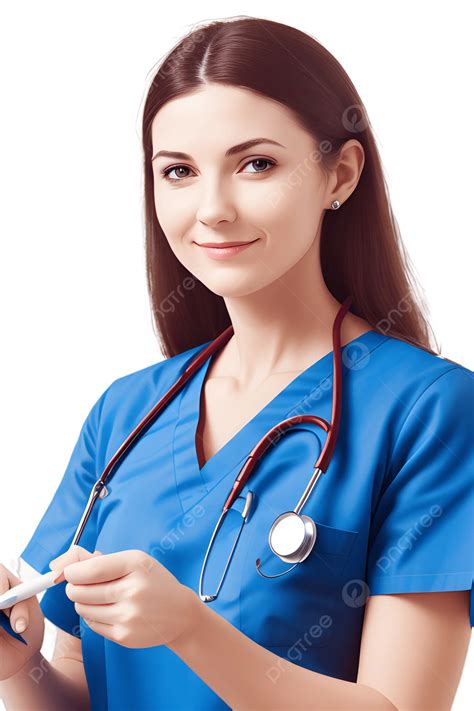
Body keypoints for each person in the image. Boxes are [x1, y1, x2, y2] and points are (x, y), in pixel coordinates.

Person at [1, 15, 472, 711]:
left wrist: (192, 628)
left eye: (256, 164)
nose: (212, 209)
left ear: (339, 173)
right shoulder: (127, 412)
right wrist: (16, 668)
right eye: (179, 172)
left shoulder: (427, 409)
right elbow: (79, 695)